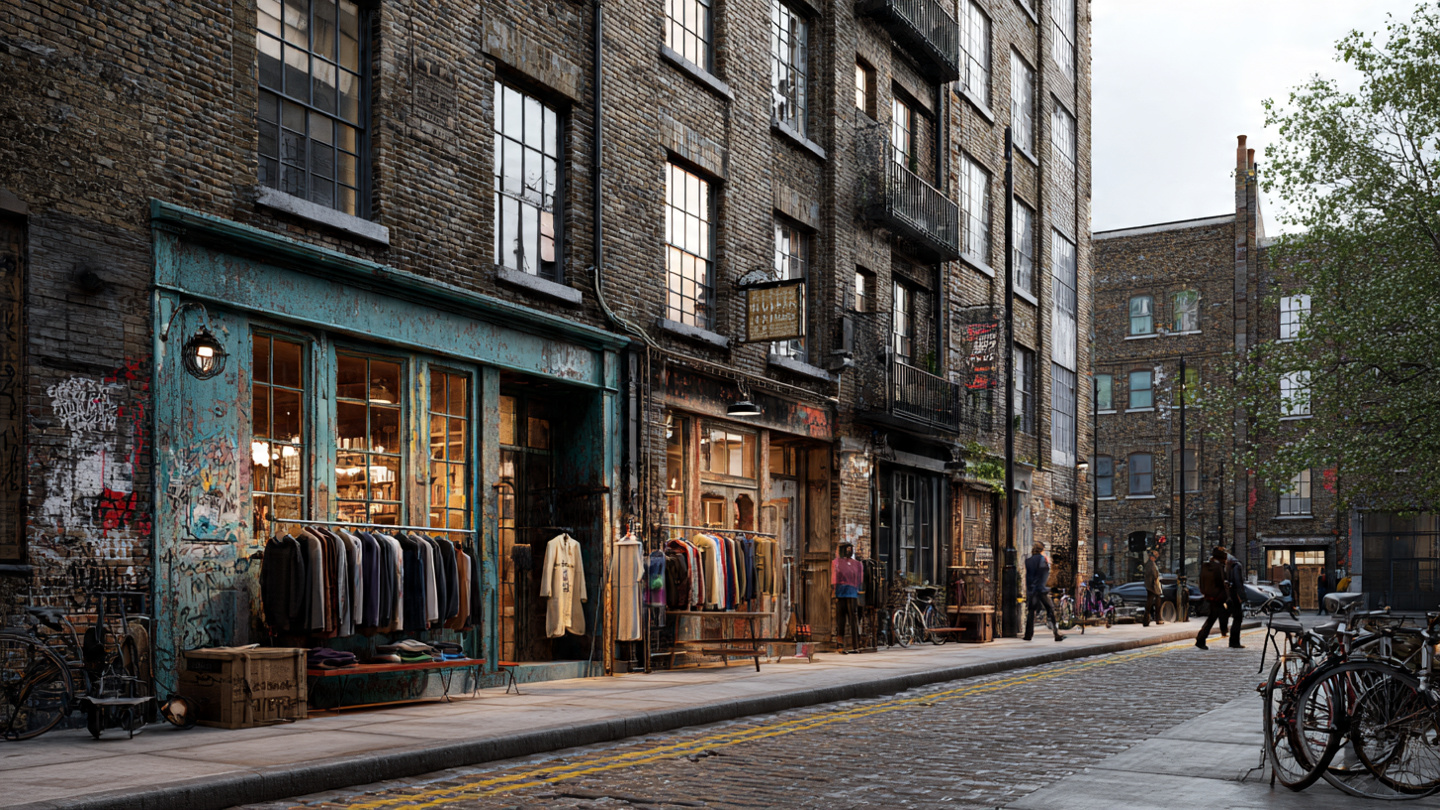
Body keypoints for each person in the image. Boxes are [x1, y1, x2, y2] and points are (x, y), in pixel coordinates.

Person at [1023, 541, 1065, 642]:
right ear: (1042, 550)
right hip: (1041, 590)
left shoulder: (1028, 561)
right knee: (1050, 609)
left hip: (1032, 590)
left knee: (1031, 612)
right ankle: (1056, 633)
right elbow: (1044, 575)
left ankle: (1028, 635)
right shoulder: (1043, 559)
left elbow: (1029, 577)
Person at [1194, 546, 1231, 650]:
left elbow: (1201, 581)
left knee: (1220, 614)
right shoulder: (1218, 567)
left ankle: (1223, 630)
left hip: (1209, 595)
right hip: (1218, 597)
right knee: (1212, 618)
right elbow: (1220, 582)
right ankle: (1200, 639)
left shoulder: (1206, 566)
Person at [1224, 551, 1246, 648]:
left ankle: (1233, 641)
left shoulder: (1228, 567)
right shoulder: (1237, 566)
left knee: (1235, 618)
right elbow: (1238, 582)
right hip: (1236, 596)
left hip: (1230, 595)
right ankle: (1234, 642)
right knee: (1238, 619)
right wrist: (1242, 596)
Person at [1143, 549, 1164, 627]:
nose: (1154, 558)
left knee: (1151, 603)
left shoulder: (1149, 564)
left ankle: (1148, 620)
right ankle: (1157, 619)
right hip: (1153, 586)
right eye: (1154, 557)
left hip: (1151, 586)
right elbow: (1155, 575)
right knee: (1155, 603)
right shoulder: (1151, 564)